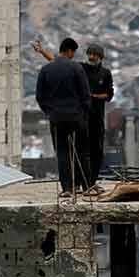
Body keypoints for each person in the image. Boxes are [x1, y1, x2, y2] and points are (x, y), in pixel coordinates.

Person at [33, 39, 113, 183]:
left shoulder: (105, 74)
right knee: (80, 152)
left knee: (96, 151)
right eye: (90, 54)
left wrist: (94, 97)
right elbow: (58, 63)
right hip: (81, 117)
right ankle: (80, 183)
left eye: (95, 55)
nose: (92, 57)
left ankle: (91, 182)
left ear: (101, 57)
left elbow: (109, 94)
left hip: (96, 117)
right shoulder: (79, 68)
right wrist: (42, 51)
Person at [35, 38, 92, 195]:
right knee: (82, 152)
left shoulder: (46, 70)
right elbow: (85, 94)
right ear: (69, 51)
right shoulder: (76, 68)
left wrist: (49, 112)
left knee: (62, 153)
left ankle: (67, 188)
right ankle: (86, 186)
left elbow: (40, 96)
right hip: (76, 117)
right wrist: (83, 113)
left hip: (56, 118)